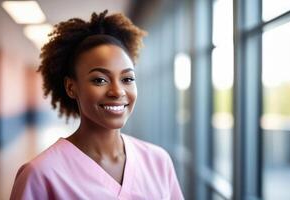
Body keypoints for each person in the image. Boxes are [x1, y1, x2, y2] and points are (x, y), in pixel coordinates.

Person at [10, 10, 184, 200]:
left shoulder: (158, 161)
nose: (118, 91)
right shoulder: (41, 175)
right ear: (71, 87)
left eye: (127, 78)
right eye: (100, 80)